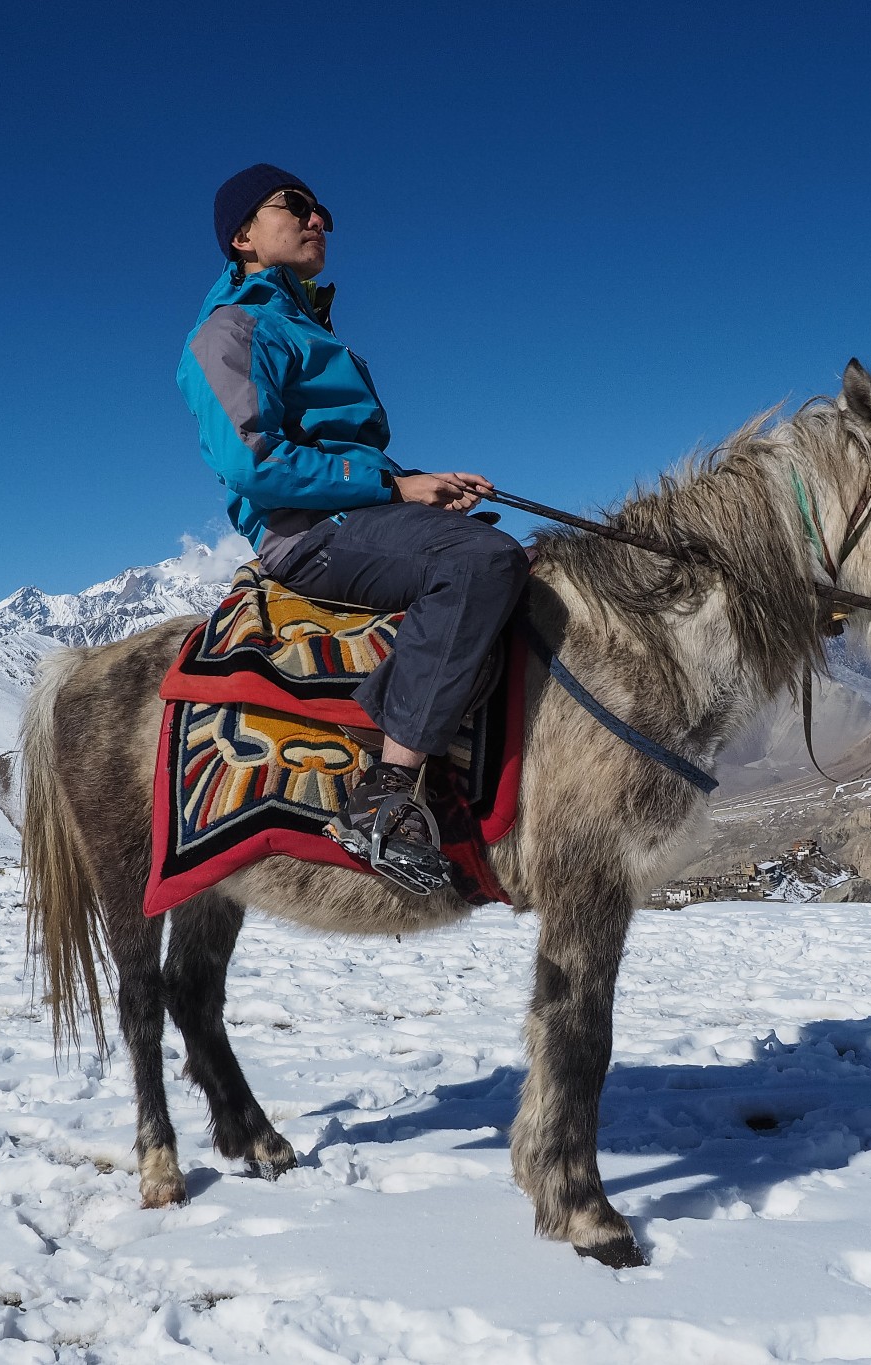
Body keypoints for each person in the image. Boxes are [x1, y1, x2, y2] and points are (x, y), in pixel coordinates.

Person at [178, 164, 530, 892]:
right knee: (480, 564)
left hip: (359, 513)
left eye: (323, 211)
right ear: (242, 234)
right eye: (297, 206)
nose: (319, 221)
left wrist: (417, 488)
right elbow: (253, 462)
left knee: (508, 559)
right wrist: (393, 486)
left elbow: (342, 453)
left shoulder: (298, 325)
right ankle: (386, 797)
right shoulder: (228, 330)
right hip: (309, 535)